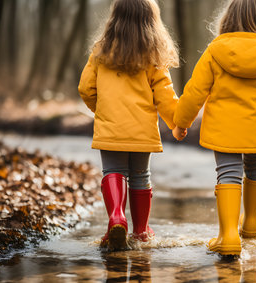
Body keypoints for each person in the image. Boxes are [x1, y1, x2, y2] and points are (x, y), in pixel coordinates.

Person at [172, 0, 256, 256]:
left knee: (228, 172)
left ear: (228, 18)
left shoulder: (215, 52)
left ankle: (228, 237)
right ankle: (251, 225)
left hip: (224, 129)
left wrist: (181, 122)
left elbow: (195, 92)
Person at [78, 0, 182, 250]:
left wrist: (100, 110)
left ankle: (116, 218)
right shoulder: (153, 55)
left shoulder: (101, 52)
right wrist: (177, 123)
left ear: (115, 19)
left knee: (112, 172)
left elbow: (85, 88)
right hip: (142, 131)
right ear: (151, 22)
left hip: (111, 128)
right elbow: (165, 95)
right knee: (140, 176)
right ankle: (141, 232)